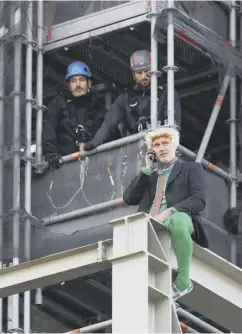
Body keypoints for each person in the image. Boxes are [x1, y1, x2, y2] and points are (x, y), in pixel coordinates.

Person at [122, 126, 208, 299]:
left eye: (165, 143)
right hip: (150, 222)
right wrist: (146, 170)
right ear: (152, 151)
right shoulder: (150, 177)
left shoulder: (191, 169)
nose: (161, 148)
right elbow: (129, 198)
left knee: (178, 220)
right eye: (156, 145)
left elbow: (199, 199)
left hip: (178, 217)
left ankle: (183, 282)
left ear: (174, 146)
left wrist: (170, 211)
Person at [84, 50, 182, 151]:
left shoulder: (166, 93)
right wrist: (96, 141)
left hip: (162, 149)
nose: (144, 76)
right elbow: (109, 123)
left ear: (154, 70)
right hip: (135, 152)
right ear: (133, 75)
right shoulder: (125, 99)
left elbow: (174, 122)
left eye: (147, 71)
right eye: (139, 72)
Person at [42, 61, 120, 169]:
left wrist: (91, 138)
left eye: (82, 80)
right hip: (65, 169)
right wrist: (51, 153)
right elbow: (48, 127)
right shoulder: (58, 104)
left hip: (96, 168)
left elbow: (114, 136)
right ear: (69, 86)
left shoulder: (100, 111)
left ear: (89, 83)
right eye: (73, 81)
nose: (78, 85)